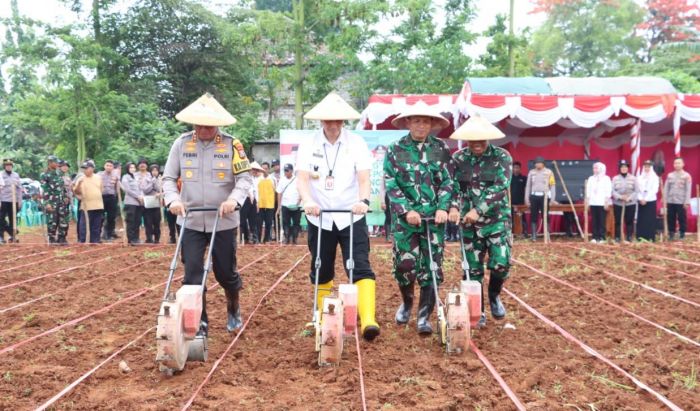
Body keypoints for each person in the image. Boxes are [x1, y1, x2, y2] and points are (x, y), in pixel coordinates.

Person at [163, 93, 253, 336]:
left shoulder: (232, 145)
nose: (204, 129)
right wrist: (173, 199)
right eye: (199, 125)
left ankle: (233, 307)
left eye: (209, 125)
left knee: (225, 273)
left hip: (222, 221)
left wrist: (233, 199)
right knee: (192, 273)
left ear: (218, 125)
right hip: (190, 219)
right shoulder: (181, 144)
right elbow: (169, 178)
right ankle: (199, 322)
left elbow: (244, 178)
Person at [296, 91, 379, 341]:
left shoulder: (356, 143)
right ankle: (321, 315)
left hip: (350, 215)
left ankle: (368, 320)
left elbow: (364, 178)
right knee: (321, 266)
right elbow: (302, 178)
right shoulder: (308, 144)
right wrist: (308, 200)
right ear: (321, 121)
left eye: (337, 120)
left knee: (360, 266)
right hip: (319, 216)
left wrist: (363, 201)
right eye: (328, 120)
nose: (332, 125)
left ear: (343, 122)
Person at [383, 102, 453, 334]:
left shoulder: (440, 148)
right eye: (416, 120)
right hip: (406, 222)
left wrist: (443, 207)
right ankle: (406, 302)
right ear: (407, 123)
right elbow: (391, 182)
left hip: (434, 220)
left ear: (432, 124)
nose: (421, 125)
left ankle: (424, 317)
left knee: (431, 267)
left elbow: (447, 181)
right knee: (405, 266)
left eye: (425, 121)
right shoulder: (396, 149)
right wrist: (406, 210)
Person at [448, 115, 512, 327]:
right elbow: (454, 188)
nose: (477, 144)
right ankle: (478, 311)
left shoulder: (502, 157)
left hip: (496, 222)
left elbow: (500, 188)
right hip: (469, 225)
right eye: (472, 140)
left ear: (488, 139)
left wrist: (478, 209)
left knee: (500, 264)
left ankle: (494, 295)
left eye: (481, 140)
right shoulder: (458, 159)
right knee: (472, 270)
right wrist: (455, 207)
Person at [40, 156, 70, 244]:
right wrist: (47, 203)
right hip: (52, 201)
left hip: (61, 201)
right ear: (50, 163)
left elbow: (62, 187)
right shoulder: (44, 175)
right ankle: (52, 238)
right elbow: (44, 190)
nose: (57, 164)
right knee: (52, 220)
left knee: (63, 220)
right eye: (55, 162)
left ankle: (62, 238)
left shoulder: (59, 174)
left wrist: (65, 197)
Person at [524, 156, 555, 241]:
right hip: (534, 196)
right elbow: (528, 186)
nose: (537, 165)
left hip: (545, 196)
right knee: (533, 216)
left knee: (545, 216)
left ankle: (547, 234)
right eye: (536, 163)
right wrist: (527, 199)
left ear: (543, 163)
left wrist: (552, 199)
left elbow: (552, 186)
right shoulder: (531, 172)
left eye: (539, 163)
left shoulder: (549, 172)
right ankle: (534, 235)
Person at [73, 161, 104, 243]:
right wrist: (79, 184)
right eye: (84, 169)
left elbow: (101, 189)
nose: (85, 170)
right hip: (86, 205)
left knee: (96, 224)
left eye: (86, 168)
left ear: (92, 168)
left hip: (98, 205)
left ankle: (95, 240)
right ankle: (83, 240)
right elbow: (76, 191)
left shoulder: (98, 177)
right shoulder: (81, 178)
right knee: (84, 225)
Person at [664, 158, 692, 240]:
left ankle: (682, 233)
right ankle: (671, 233)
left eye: (679, 163)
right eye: (675, 163)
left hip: (681, 201)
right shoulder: (670, 175)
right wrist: (665, 199)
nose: (677, 165)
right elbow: (666, 188)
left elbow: (688, 190)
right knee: (671, 218)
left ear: (683, 164)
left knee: (682, 218)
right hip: (671, 200)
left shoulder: (687, 176)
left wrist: (686, 202)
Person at [586, 162, 612, 243]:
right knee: (594, 220)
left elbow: (608, 191)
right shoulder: (591, 178)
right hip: (593, 202)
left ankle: (602, 237)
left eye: (596, 168)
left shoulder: (606, 178)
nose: (594, 170)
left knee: (602, 221)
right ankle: (595, 237)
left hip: (602, 203)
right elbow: (588, 191)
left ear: (601, 169)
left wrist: (606, 202)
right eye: (594, 168)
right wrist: (587, 202)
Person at [276, 163, 301, 244]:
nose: (286, 172)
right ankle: (287, 238)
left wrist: (299, 200)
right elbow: (279, 193)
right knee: (286, 222)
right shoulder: (282, 180)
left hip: (296, 205)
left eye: (287, 170)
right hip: (285, 205)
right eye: (285, 170)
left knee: (296, 223)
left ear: (291, 171)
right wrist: (279, 206)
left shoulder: (297, 180)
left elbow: (301, 190)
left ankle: (294, 238)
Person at [612, 159, 636, 242]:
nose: (624, 168)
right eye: (622, 167)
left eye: (625, 167)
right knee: (618, 221)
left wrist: (629, 198)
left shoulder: (633, 178)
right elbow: (612, 191)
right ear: (619, 168)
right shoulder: (615, 178)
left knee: (629, 221)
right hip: (618, 203)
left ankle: (629, 236)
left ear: (628, 168)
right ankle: (617, 237)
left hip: (630, 203)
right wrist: (620, 197)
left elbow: (636, 191)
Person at [121, 162, 144, 244]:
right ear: (127, 168)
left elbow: (141, 188)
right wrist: (137, 196)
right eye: (131, 167)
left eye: (134, 167)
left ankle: (136, 238)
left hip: (139, 203)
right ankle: (131, 239)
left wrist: (141, 196)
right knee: (131, 221)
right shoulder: (125, 177)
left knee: (137, 221)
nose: (133, 169)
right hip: (130, 202)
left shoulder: (137, 177)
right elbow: (127, 190)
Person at [0, 159, 22, 243]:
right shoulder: (1, 175)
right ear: (4, 166)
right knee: (1, 219)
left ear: (12, 166)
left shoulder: (16, 175)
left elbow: (19, 189)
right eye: (7, 165)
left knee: (13, 219)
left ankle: (12, 236)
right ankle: (1, 237)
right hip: (3, 200)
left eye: (10, 165)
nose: (8, 167)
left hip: (14, 201)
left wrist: (20, 201)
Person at [636, 159, 659, 241]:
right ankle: (640, 237)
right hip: (641, 202)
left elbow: (654, 190)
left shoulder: (655, 177)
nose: (647, 169)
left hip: (650, 201)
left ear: (651, 168)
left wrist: (646, 199)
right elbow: (637, 190)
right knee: (641, 219)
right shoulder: (639, 178)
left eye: (648, 167)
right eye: (645, 167)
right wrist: (640, 198)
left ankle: (650, 237)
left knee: (650, 219)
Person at [99, 160, 120, 241]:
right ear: (104, 166)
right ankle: (99, 234)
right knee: (101, 217)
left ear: (113, 167)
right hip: (102, 197)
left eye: (110, 166)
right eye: (107, 165)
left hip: (112, 198)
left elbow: (117, 186)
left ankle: (109, 234)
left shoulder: (116, 175)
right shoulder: (99, 174)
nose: (109, 167)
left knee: (111, 217)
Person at [142, 164, 162, 243]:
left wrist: (159, 194)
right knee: (148, 222)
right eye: (153, 170)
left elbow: (160, 190)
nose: (154, 172)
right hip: (148, 204)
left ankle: (157, 239)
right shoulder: (146, 179)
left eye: (156, 170)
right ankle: (149, 238)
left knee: (157, 222)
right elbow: (145, 190)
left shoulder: (160, 179)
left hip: (156, 204)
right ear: (150, 171)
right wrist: (152, 182)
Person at [257, 161, 276, 242]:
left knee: (268, 224)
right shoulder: (257, 179)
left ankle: (267, 239)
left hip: (270, 205)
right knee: (259, 224)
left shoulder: (273, 179)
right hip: (260, 205)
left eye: (266, 168)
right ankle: (258, 239)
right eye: (263, 168)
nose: (264, 170)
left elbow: (276, 191)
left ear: (268, 169)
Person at [510, 161, 527, 237]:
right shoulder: (509, 178)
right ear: (512, 168)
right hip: (511, 202)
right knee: (511, 218)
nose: (516, 169)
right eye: (514, 167)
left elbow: (527, 189)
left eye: (517, 168)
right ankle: (512, 233)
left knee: (522, 218)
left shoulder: (524, 178)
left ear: (520, 169)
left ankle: (524, 233)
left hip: (521, 203)